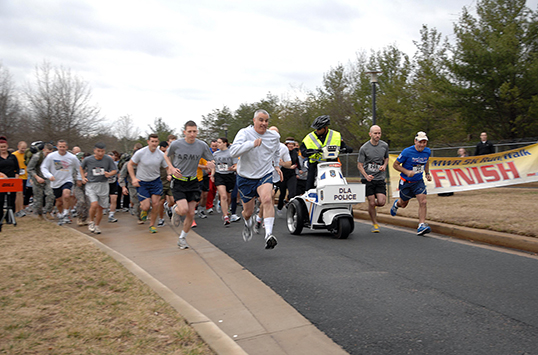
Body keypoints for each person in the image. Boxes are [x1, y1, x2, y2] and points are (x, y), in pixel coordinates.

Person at [229, 109, 282, 250]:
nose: (264, 123)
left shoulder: (274, 136)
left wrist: (276, 166)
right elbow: (233, 151)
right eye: (261, 120)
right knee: (247, 212)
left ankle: (269, 235)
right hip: (246, 177)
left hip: (264, 174)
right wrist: (251, 144)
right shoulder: (244, 133)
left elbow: (276, 151)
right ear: (254, 121)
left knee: (267, 199)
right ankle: (247, 223)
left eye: (266, 121)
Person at [166, 121, 215, 249]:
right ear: (184, 132)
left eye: (194, 131)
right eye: (189, 131)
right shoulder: (177, 144)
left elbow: (211, 159)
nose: (192, 134)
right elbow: (166, 156)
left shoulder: (202, 145)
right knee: (183, 210)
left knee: (191, 213)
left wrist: (211, 164)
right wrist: (171, 168)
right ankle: (174, 209)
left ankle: (182, 238)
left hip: (193, 181)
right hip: (178, 181)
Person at [390, 131, 433, 236]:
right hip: (406, 182)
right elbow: (395, 165)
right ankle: (397, 204)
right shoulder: (407, 152)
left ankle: (421, 225)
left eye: (424, 142)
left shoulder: (427, 151)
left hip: (418, 182)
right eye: (420, 142)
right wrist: (407, 172)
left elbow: (426, 161)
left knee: (423, 202)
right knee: (403, 204)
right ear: (415, 141)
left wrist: (427, 173)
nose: (422, 145)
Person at [128, 134, 173, 233]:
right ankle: (144, 211)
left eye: (156, 141)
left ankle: (152, 225)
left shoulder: (161, 154)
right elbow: (130, 164)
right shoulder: (141, 153)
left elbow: (167, 167)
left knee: (156, 204)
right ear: (148, 142)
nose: (154, 143)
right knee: (146, 206)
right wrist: (133, 178)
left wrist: (169, 174)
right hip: (142, 182)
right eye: (152, 141)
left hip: (155, 181)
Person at [300, 115, 350, 190]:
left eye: (319, 129)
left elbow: (343, 146)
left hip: (331, 164)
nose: (317, 130)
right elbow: (303, 151)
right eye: (316, 129)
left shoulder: (336, 135)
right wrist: (309, 152)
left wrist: (347, 149)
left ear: (325, 128)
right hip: (315, 165)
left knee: (336, 182)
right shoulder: (309, 137)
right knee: (310, 186)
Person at [41, 140, 82, 225]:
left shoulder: (72, 157)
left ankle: (66, 214)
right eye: (60, 146)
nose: (62, 148)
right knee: (59, 201)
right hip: (55, 181)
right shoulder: (51, 156)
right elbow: (43, 167)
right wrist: (49, 175)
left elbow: (79, 168)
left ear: (66, 147)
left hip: (67, 179)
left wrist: (79, 178)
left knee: (66, 195)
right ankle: (60, 214)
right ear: (57, 147)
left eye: (64, 147)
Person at [357, 125, 389, 233]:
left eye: (379, 133)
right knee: (371, 202)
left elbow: (386, 158)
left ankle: (372, 209)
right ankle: (375, 223)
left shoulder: (384, 145)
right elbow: (360, 165)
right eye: (375, 133)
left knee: (381, 202)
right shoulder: (364, 148)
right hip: (368, 179)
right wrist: (366, 176)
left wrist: (384, 166)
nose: (377, 135)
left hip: (379, 177)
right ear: (370, 134)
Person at [80, 143, 117, 234]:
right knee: (94, 204)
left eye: (102, 151)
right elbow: (81, 167)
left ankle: (96, 226)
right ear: (94, 150)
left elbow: (114, 170)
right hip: (91, 184)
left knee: (101, 207)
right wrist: (82, 177)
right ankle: (91, 221)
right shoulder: (88, 159)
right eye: (98, 151)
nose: (100, 153)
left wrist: (109, 174)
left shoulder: (108, 159)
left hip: (103, 184)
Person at [210, 137, 238, 226]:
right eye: (217, 142)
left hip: (229, 176)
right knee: (223, 196)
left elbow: (236, 165)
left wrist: (233, 168)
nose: (217, 144)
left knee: (229, 197)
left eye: (219, 142)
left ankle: (226, 209)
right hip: (219, 175)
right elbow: (214, 165)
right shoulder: (216, 154)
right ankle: (225, 216)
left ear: (225, 143)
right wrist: (212, 174)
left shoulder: (231, 153)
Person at [27, 142, 55, 220]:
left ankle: (48, 212)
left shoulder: (52, 158)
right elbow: (29, 169)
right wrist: (36, 177)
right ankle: (39, 214)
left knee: (50, 195)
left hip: (48, 179)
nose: (48, 154)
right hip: (37, 179)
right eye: (47, 152)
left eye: (50, 152)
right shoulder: (37, 157)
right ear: (43, 150)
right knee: (38, 198)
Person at [0, 136, 19, 231]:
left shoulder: (12, 156)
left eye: (4, 147)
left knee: (12, 198)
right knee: (1, 199)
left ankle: (10, 218)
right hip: (1, 181)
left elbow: (17, 167)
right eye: (1, 147)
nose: (3, 149)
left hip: (11, 180)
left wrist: (17, 174)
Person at [277, 137, 299, 215]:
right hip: (283, 174)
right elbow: (280, 163)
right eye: (289, 144)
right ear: (286, 144)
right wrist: (288, 166)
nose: (291, 146)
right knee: (282, 193)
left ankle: (291, 208)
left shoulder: (295, 153)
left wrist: (298, 170)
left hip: (292, 175)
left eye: (292, 144)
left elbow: (297, 163)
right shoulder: (282, 151)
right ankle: (279, 207)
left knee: (292, 193)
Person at [12, 141, 28, 217]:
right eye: (22, 148)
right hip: (17, 177)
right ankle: (17, 210)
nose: (23, 150)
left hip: (25, 176)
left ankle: (21, 209)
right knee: (18, 194)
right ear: (18, 147)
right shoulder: (14, 155)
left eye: (25, 148)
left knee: (22, 194)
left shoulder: (27, 155)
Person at [106, 150, 121, 222]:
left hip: (113, 182)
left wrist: (120, 181)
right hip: (104, 183)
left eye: (112, 159)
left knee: (114, 198)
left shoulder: (115, 165)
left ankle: (111, 215)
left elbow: (118, 173)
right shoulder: (102, 164)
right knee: (103, 199)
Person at [205, 139, 219, 214]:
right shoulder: (208, 152)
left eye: (215, 146)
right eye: (213, 146)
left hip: (219, 172)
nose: (214, 147)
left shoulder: (220, 151)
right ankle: (209, 206)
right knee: (210, 189)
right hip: (210, 172)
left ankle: (214, 202)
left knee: (215, 190)